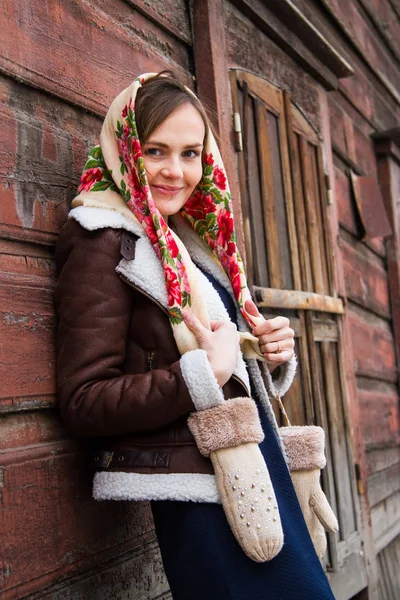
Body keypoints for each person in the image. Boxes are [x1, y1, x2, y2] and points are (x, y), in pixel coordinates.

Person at [54, 72, 337, 599]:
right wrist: (201, 376)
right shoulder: (102, 239)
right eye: (155, 150)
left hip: (256, 469)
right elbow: (83, 400)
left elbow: (223, 357)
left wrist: (267, 352)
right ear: (124, 147)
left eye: (190, 154)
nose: (174, 171)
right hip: (200, 494)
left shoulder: (188, 239)